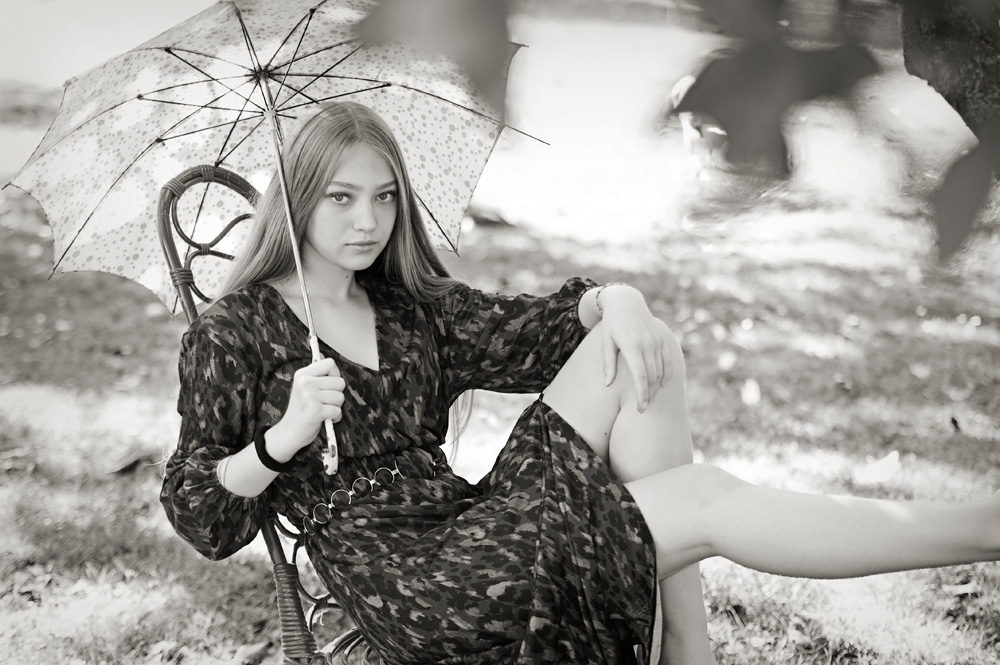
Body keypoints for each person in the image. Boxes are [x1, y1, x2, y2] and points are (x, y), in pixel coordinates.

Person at [161, 101, 1000, 665]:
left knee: (638, 348)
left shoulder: (408, 306)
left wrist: (616, 298)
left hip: (466, 523)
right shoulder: (234, 332)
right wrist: (281, 439)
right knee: (701, 497)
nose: (368, 220)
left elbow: (538, 330)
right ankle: (976, 529)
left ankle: (690, 648)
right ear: (298, 199)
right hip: (412, 587)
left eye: (383, 197)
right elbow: (200, 512)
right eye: (341, 198)